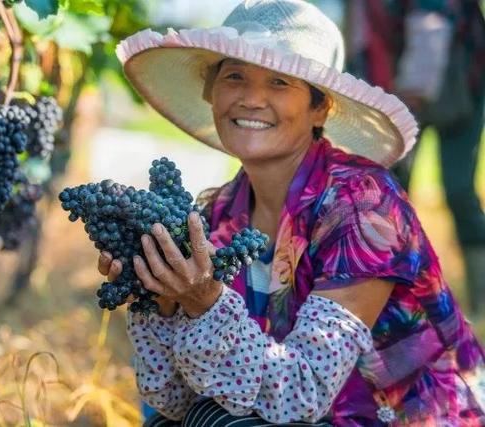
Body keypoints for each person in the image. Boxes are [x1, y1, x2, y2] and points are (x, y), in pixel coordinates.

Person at [96, 0, 485, 425]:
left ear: (320, 109)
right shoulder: (217, 214)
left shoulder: (362, 207)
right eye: (234, 77)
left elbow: (302, 390)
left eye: (279, 82)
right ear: (211, 91)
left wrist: (205, 304)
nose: (252, 99)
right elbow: (171, 398)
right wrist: (164, 304)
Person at [344, 0, 485, 316]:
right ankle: (393, 298)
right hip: (398, 91)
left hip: (460, 87)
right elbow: (358, 41)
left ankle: (481, 301)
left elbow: (431, 30)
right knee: (392, 191)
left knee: (459, 189)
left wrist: (405, 102)